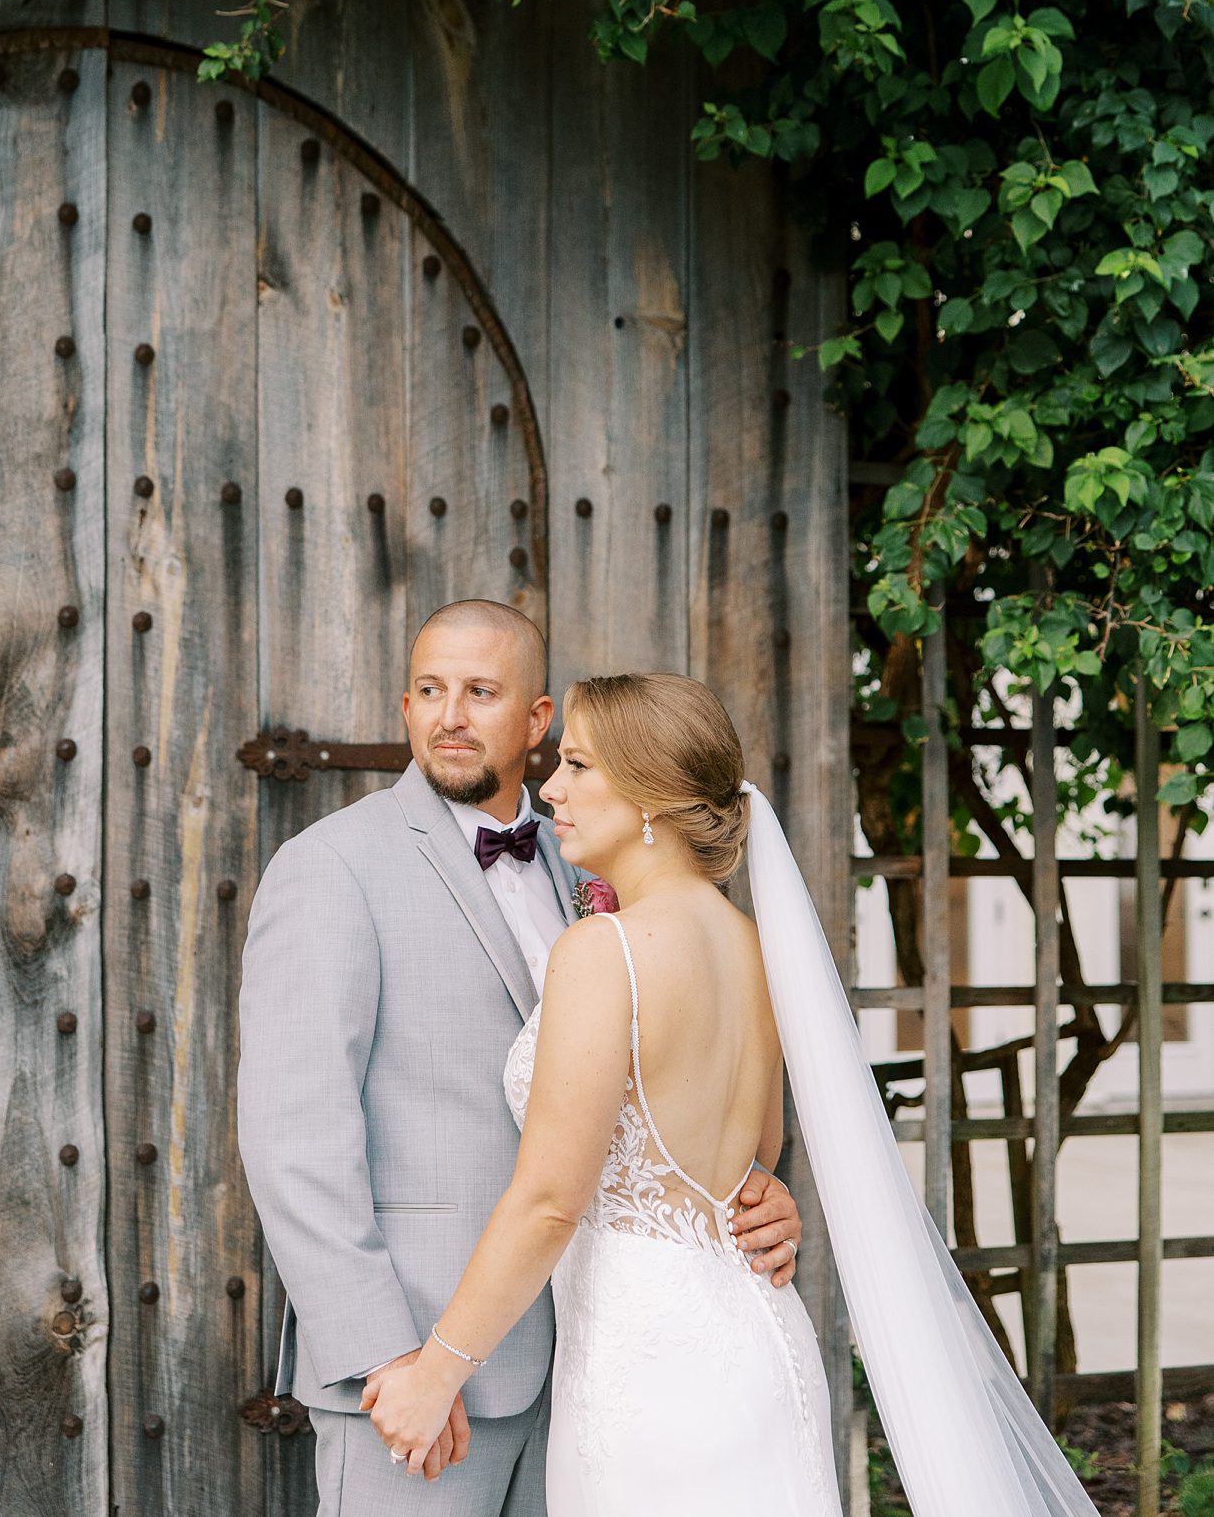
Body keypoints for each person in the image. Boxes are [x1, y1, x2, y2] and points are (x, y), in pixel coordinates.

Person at [364, 673, 1104, 1517]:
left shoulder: (604, 951)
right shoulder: (755, 949)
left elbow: (548, 1200)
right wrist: (767, 1204)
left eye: (577, 765)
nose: (550, 788)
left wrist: (439, 1370)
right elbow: (756, 1159)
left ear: (650, 794)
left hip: (648, 1376)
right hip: (759, 1346)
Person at [236, 609, 805, 1516]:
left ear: (538, 720)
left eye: (480, 692)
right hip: (426, 1370)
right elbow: (292, 1137)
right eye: (428, 690)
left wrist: (748, 1190)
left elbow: (659, 1098)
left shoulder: (590, 864)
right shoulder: (331, 869)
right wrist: (389, 1355)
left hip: (601, 1352)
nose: (448, 716)